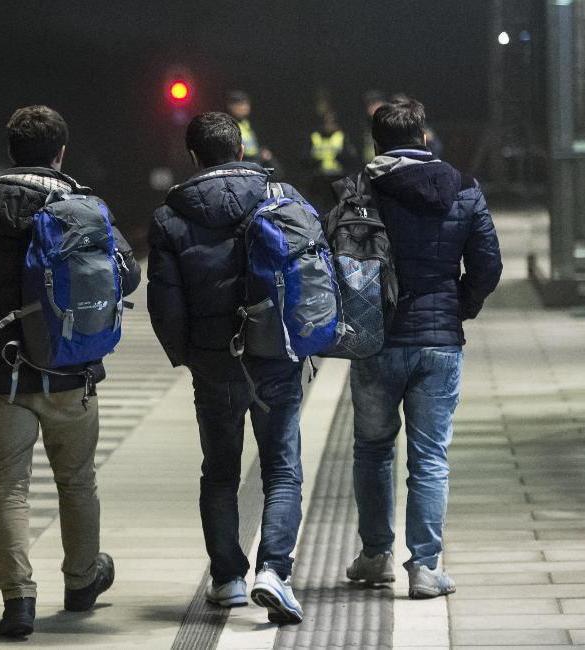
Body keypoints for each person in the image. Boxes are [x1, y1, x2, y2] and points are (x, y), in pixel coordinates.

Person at [0, 105, 141, 637]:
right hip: (71, 372)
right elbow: (129, 276)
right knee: (77, 483)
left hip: (2, 376)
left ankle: (18, 601)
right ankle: (81, 579)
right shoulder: (85, 209)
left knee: (9, 489)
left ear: (11, 152)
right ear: (59, 153)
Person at [147, 112, 309, 624]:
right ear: (240, 151)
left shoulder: (170, 217)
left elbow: (164, 304)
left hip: (215, 363)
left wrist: (188, 356)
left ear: (192, 157)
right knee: (282, 468)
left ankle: (228, 579)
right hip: (275, 356)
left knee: (219, 470)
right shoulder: (279, 196)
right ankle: (274, 572)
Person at [344, 99, 501, 599]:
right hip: (439, 340)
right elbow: (488, 265)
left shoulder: (360, 191)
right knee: (430, 456)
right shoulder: (464, 187)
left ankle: (375, 557)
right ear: (425, 137)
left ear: (376, 143)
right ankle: (425, 568)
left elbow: (334, 260)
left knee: (372, 450)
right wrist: (460, 307)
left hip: (375, 340)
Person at [305, 110, 357, 212]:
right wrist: (315, 161)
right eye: (326, 122)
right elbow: (304, 159)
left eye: (332, 122)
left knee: (341, 211)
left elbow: (352, 158)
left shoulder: (341, 136)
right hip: (319, 180)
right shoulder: (314, 137)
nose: (329, 125)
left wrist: (340, 157)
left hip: (339, 179)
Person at [226, 90, 274, 168]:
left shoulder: (248, 123)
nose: (245, 107)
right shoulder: (227, 124)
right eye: (241, 104)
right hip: (241, 164)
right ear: (231, 106)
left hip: (256, 162)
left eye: (247, 104)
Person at [360, 90, 387, 164]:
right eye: (369, 104)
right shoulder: (365, 124)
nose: (371, 107)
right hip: (369, 165)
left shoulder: (390, 123)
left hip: (386, 165)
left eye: (375, 103)